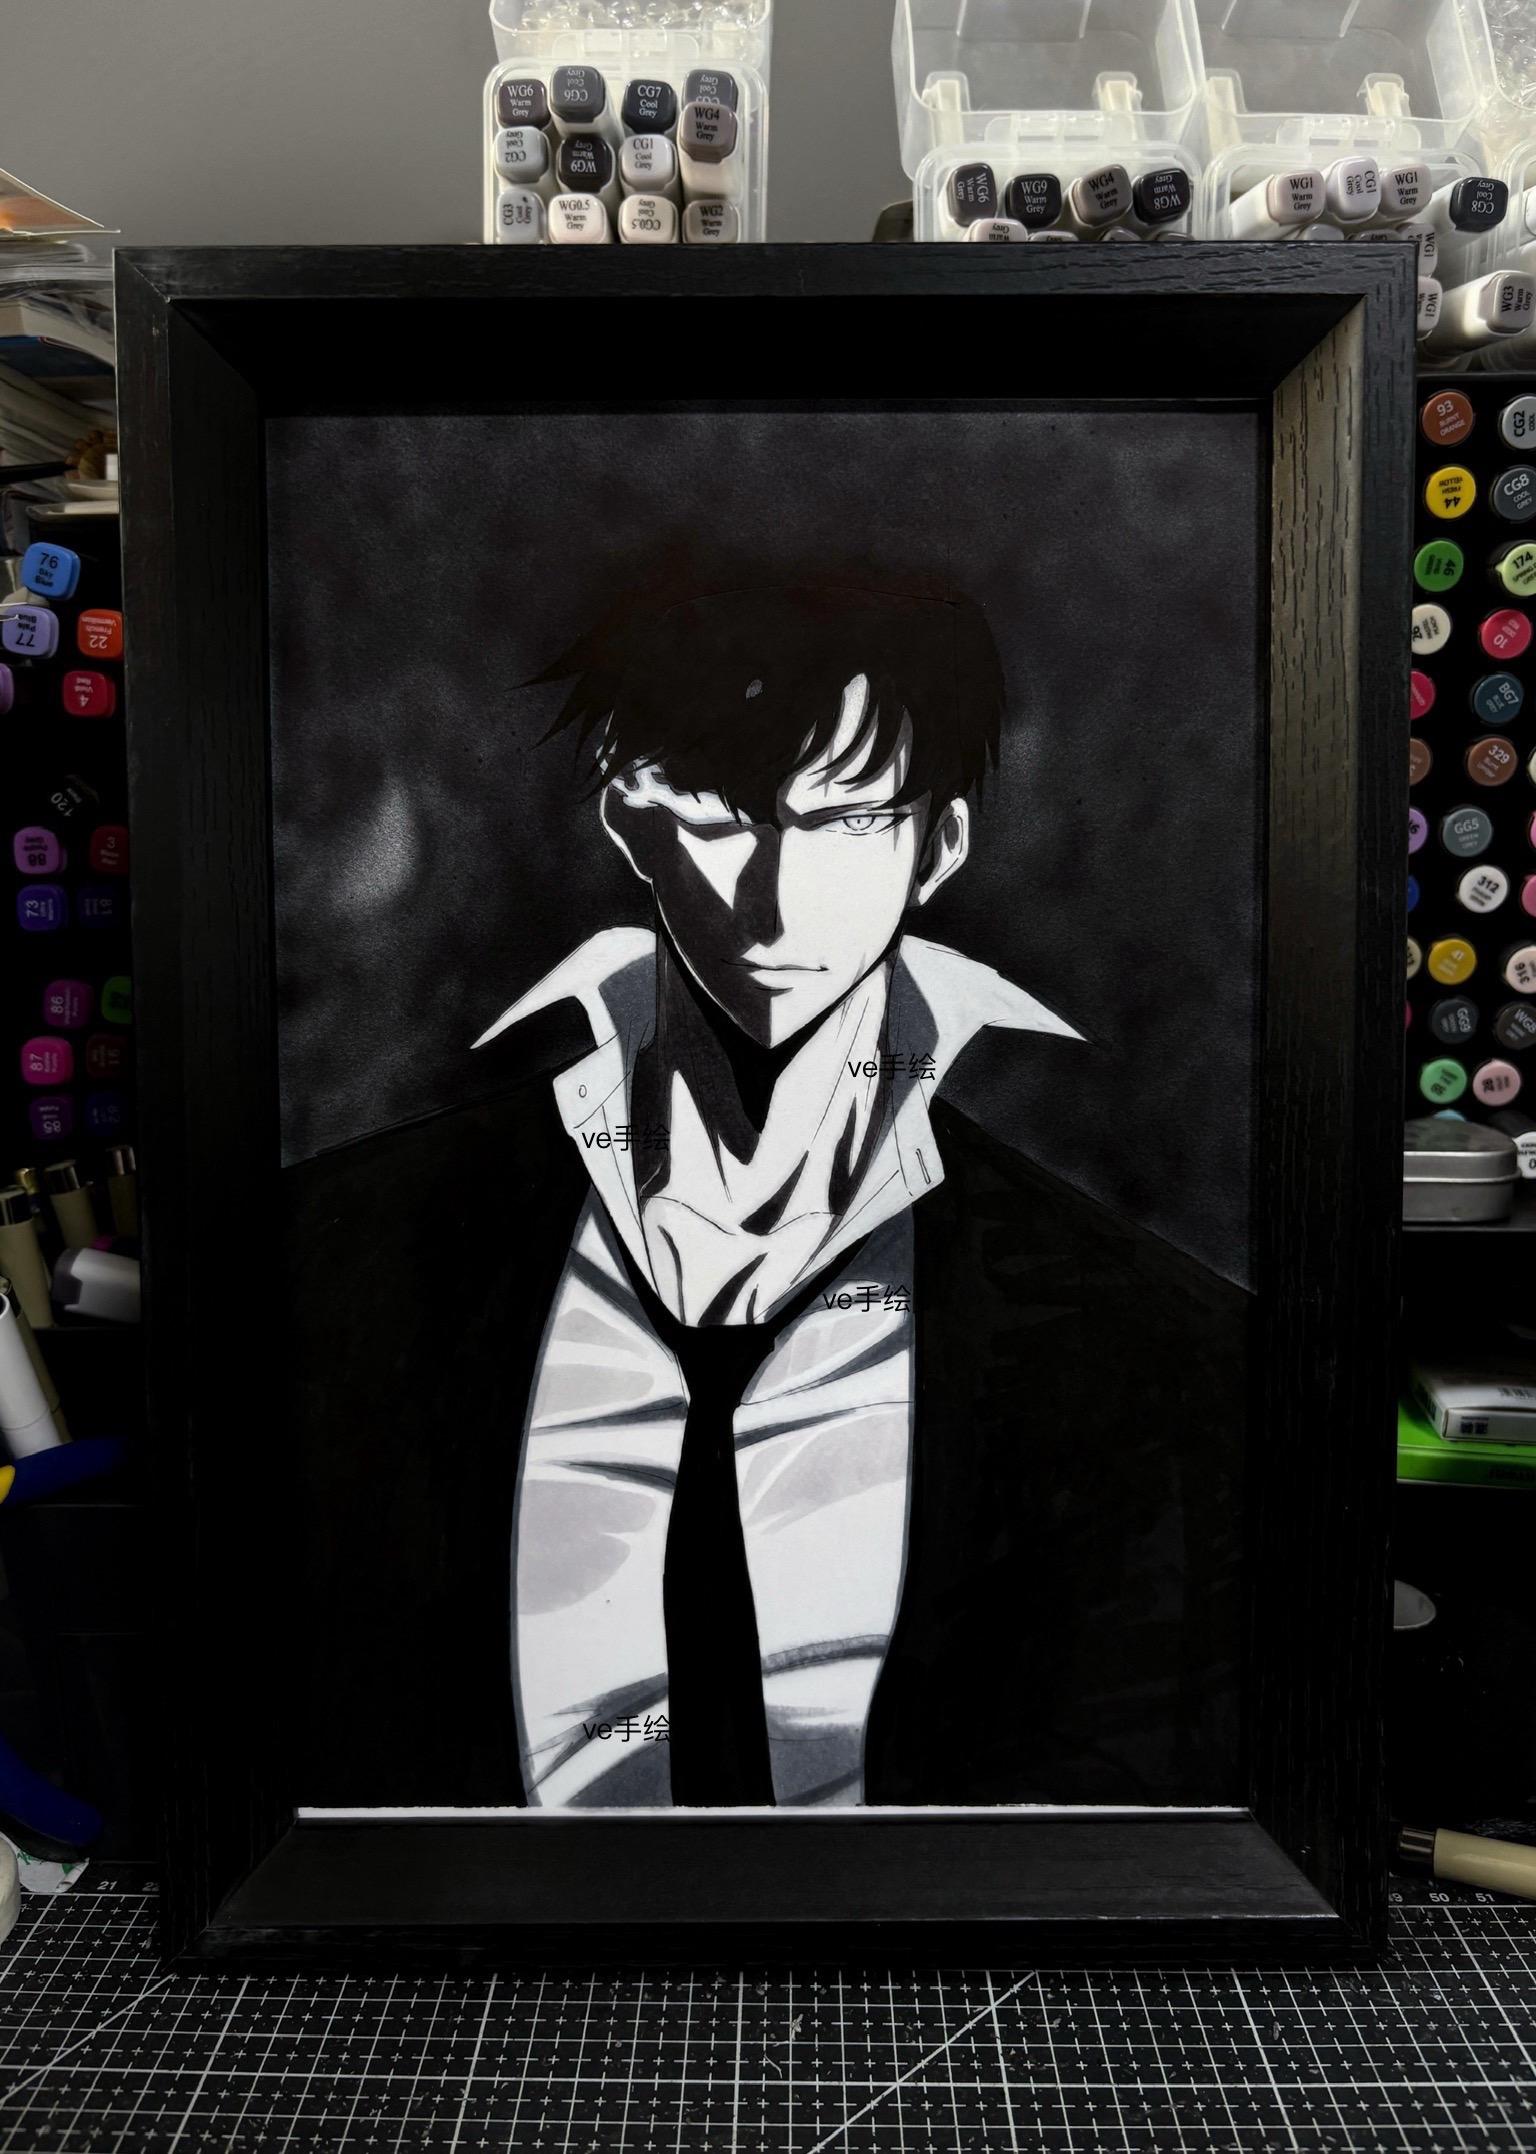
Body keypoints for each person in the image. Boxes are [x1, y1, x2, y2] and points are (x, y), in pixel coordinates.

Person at [283, 569, 1246, 1810]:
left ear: (938, 846)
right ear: (628, 818)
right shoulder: (337, 1259)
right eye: (719, 816)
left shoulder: (1146, 1343)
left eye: (847, 820)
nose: (775, 900)